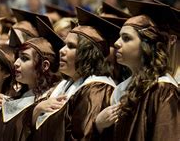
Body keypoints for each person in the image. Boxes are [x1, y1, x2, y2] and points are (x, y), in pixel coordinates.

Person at [95, 0, 179, 140]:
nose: (116, 43)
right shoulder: (120, 89)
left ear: (147, 46)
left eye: (126, 38)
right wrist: (100, 125)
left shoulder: (163, 89)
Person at [32, 8, 118, 141]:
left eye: (71, 46)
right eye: (65, 45)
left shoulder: (96, 88)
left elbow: (82, 136)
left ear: (89, 54)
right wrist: (36, 110)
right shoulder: (65, 84)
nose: (61, 50)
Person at [0, 17, 63, 141]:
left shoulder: (52, 98)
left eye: (24, 58)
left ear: (45, 65)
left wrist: (35, 112)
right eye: (18, 57)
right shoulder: (18, 97)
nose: (16, 63)